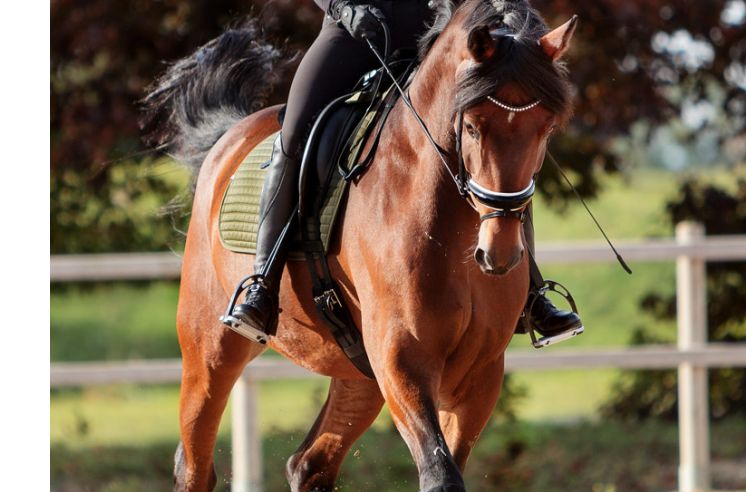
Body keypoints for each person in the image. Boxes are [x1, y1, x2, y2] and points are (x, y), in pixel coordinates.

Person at [222, 0, 583, 348]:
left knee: (500, 140)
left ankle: (531, 293)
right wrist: (342, 8)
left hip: (440, 34)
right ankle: (262, 284)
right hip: (354, 34)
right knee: (294, 134)